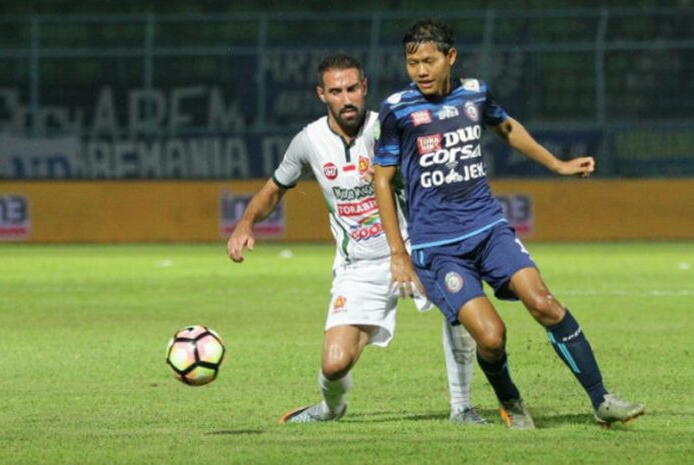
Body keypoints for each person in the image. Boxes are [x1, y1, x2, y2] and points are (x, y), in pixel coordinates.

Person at [373, 19, 645, 429]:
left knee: (544, 303)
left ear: (451, 57)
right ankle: (511, 400)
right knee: (491, 337)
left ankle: (601, 399)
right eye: (412, 63)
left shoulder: (475, 93)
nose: (421, 71)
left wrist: (558, 164)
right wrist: (398, 253)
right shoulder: (397, 109)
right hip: (440, 249)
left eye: (429, 61)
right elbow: (381, 178)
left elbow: (506, 127)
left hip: (488, 229)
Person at [227, 53, 484, 425]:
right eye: (336, 91)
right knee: (334, 364)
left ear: (364, 88)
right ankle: (330, 409)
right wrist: (245, 223)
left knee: (461, 308)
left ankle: (462, 407)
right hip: (358, 266)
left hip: (412, 251)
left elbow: (435, 176)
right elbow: (274, 189)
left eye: (352, 89)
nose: (346, 99)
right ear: (322, 94)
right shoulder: (309, 141)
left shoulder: (392, 127)